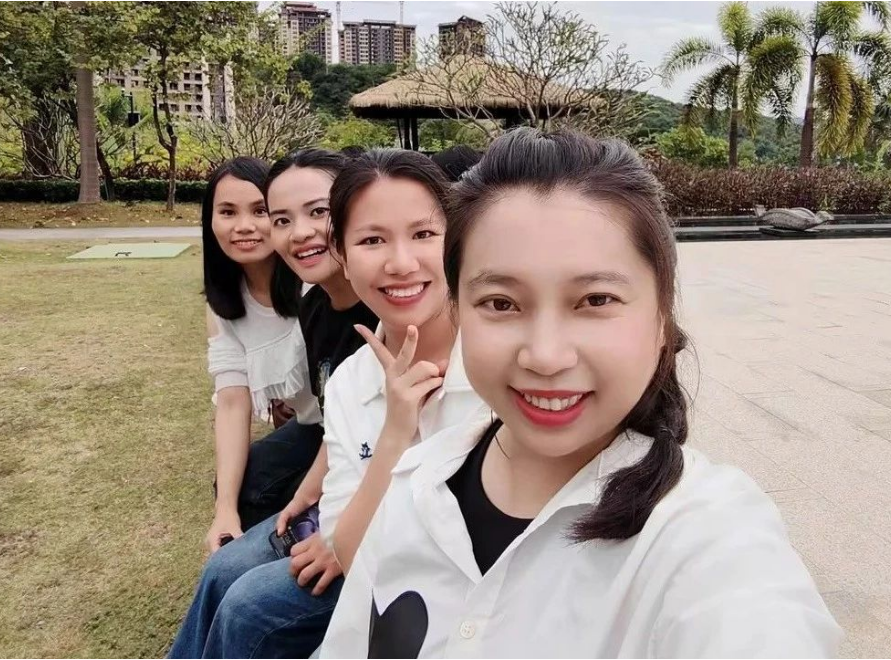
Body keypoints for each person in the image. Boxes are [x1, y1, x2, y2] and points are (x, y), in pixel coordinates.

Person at [320, 129, 843, 658]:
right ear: (458, 309)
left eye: (595, 300)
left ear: (662, 317)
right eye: (501, 303)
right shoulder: (413, 486)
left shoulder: (708, 538)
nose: (545, 356)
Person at [168, 149, 486, 658]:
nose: (400, 263)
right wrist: (392, 434)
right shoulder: (348, 371)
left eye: (424, 233)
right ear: (345, 249)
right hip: (369, 572)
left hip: (449, 609)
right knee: (227, 568)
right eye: (372, 240)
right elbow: (348, 537)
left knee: (248, 605)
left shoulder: (504, 366)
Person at [200, 157, 320, 549]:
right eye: (227, 212)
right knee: (242, 485)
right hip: (312, 426)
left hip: (355, 427)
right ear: (209, 222)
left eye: (260, 211)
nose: (244, 226)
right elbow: (232, 403)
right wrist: (224, 510)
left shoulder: (314, 280)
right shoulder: (224, 307)